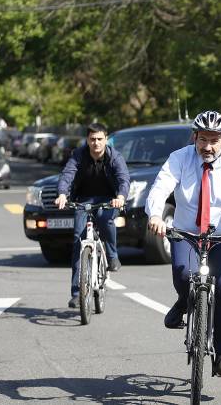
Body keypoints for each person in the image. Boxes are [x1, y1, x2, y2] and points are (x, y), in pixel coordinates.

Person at [145, 110, 221, 377]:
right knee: (182, 273)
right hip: (186, 233)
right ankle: (182, 303)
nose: (207, 147)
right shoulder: (179, 158)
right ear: (195, 137)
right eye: (203, 139)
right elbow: (160, 187)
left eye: (214, 140)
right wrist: (155, 214)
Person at [55, 123, 130, 308]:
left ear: (106, 139)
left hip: (109, 199)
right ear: (87, 140)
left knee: (106, 220)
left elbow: (123, 178)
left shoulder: (115, 157)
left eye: (99, 139)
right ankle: (76, 293)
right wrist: (62, 194)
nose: (96, 143)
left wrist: (120, 197)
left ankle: (112, 256)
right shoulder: (78, 155)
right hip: (83, 199)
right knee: (78, 239)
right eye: (92, 139)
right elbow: (67, 175)